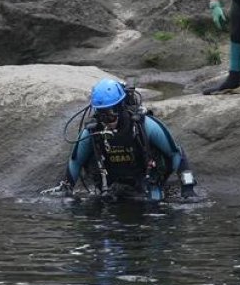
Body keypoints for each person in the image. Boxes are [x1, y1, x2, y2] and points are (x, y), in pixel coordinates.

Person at [61, 79, 197, 201]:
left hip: (146, 181)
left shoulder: (144, 125)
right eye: (102, 115)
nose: (107, 121)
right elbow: (76, 161)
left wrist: (188, 188)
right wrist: (67, 189)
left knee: (154, 206)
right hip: (110, 187)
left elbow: (175, 153)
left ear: (121, 108)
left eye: (111, 113)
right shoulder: (92, 131)